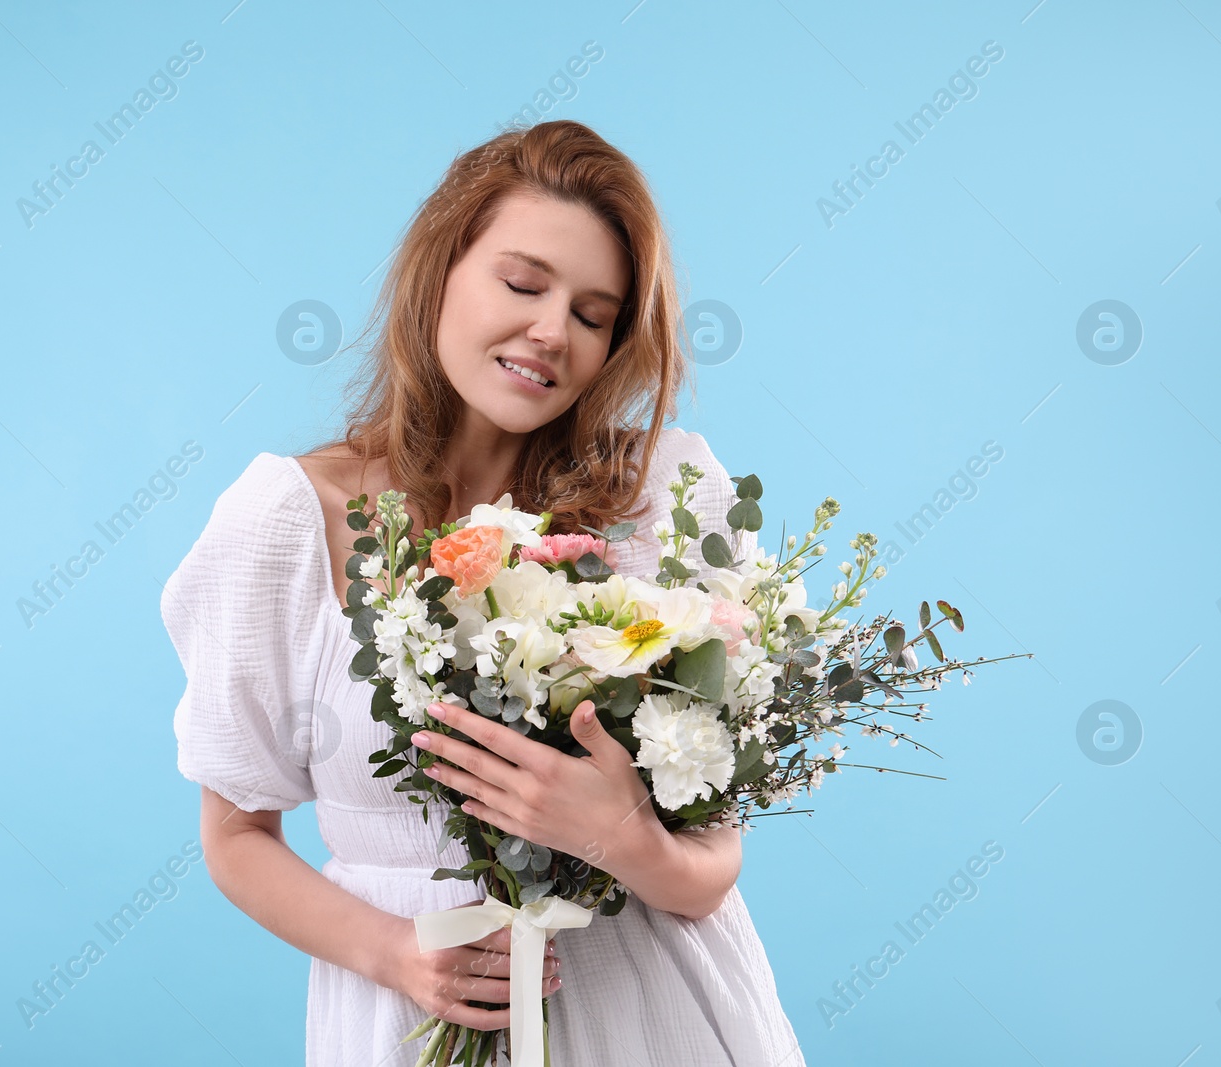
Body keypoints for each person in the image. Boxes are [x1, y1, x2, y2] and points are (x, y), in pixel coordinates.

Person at [160, 119, 807, 1065]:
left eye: (593, 315)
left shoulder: (664, 499)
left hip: (659, 1015)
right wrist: (399, 955)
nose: (552, 331)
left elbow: (711, 868)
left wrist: (623, 835)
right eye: (522, 283)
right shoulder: (287, 521)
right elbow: (234, 837)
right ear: (442, 269)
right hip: (408, 1015)